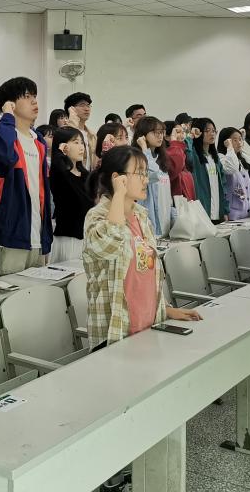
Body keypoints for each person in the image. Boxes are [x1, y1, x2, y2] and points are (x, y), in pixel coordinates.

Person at [83, 145, 201, 350]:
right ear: (117, 178)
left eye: (145, 174)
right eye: (140, 174)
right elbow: (110, 245)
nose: (146, 180)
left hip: (148, 326)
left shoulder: (141, 215)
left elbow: (146, 275)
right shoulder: (97, 216)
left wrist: (165, 310)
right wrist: (119, 194)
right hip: (116, 332)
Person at [0, 77, 53, 274]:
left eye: (34, 96)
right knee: (7, 289)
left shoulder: (38, 141)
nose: (34, 101)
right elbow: (4, 158)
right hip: (10, 236)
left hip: (37, 236)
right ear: (10, 104)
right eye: (27, 96)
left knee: (36, 291)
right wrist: (7, 117)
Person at [49, 126, 93, 263]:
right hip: (68, 238)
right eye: (76, 142)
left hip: (86, 238)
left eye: (82, 143)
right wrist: (59, 153)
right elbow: (58, 170)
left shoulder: (86, 175)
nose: (81, 147)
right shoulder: (60, 174)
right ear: (64, 146)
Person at [133, 117, 173, 238]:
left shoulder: (161, 158)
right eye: (155, 132)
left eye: (161, 132)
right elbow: (153, 173)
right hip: (150, 225)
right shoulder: (136, 160)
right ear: (143, 135)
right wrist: (144, 149)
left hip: (166, 222)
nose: (160, 136)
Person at [186, 117, 228, 222]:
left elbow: (223, 185)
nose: (212, 134)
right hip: (202, 213)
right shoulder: (194, 154)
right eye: (207, 130)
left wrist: (225, 210)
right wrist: (190, 137)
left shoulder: (215, 158)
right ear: (199, 132)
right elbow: (187, 158)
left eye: (213, 131)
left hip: (218, 213)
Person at [217, 127, 250, 221]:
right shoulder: (221, 158)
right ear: (226, 142)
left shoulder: (241, 160)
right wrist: (229, 148)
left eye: (240, 139)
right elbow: (231, 169)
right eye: (234, 140)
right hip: (231, 215)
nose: (239, 143)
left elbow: (249, 187)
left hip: (246, 214)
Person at [164, 120, 196, 200]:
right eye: (178, 132)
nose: (182, 134)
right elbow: (174, 169)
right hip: (176, 201)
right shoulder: (167, 155)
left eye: (183, 131)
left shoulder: (182, 152)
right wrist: (174, 142)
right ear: (166, 136)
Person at [64, 92, 96, 169]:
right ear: (71, 109)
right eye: (82, 105)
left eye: (88, 105)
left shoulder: (92, 135)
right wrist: (72, 120)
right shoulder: (63, 132)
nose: (87, 109)